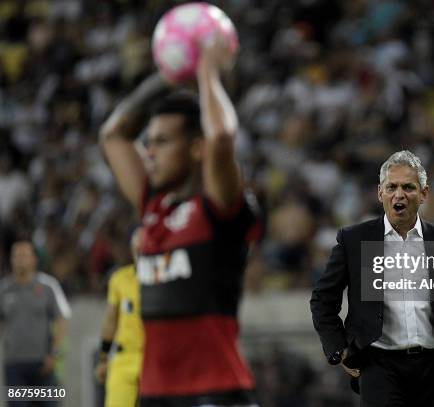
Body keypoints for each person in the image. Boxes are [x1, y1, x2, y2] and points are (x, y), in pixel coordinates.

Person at [99, 39, 260, 405]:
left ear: (196, 149)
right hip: (155, 394)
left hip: (216, 391)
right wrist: (168, 75)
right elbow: (113, 135)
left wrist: (206, 71)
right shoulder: (153, 208)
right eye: (148, 142)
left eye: (162, 142)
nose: (149, 153)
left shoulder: (216, 208)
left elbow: (221, 135)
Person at [310, 150, 434, 406]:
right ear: (380, 193)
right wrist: (339, 348)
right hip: (379, 366)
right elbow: (322, 300)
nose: (399, 194)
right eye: (391, 187)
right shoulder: (355, 240)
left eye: (408, 187)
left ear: (424, 193)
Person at [0, 239, 72, 407]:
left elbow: (61, 320)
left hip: (44, 365)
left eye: (25, 255)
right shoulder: (4, 289)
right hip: (14, 366)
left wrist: (54, 354)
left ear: (34, 259)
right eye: (16, 255)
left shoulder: (48, 286)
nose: (20, 259)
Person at [95, 229, 144, 407]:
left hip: (155, 358)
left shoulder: (163, 278)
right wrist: (103, 358)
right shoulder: (119, 279)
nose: (140, 248)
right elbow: (110, 321)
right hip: (125, 358)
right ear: (132, 248)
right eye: (137, 244)